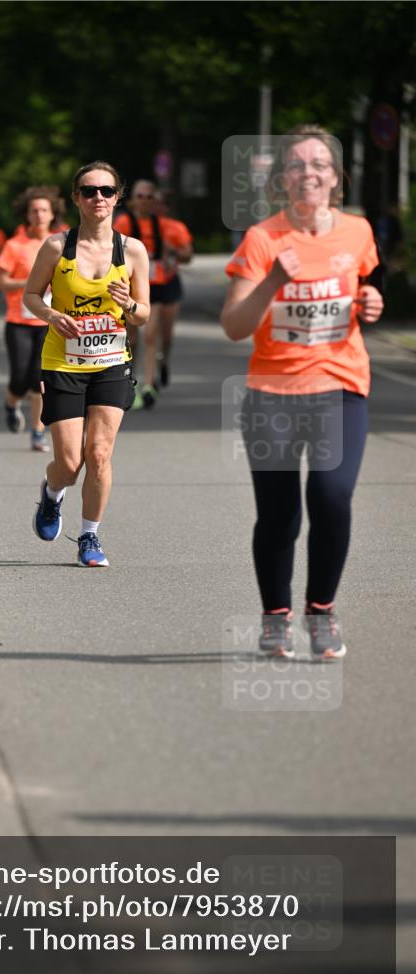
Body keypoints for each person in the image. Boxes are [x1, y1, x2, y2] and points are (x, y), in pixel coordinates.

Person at [220, 124, 384, 660]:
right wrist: (271, 282)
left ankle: (321, 611)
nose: (308, 173)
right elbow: (235, 326)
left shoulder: (357, 232)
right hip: (273, 392)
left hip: (340, 383)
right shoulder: (262, 239)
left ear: (335, 178)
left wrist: (370, 303)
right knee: (280, 513)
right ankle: (275, 617)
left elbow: (363, 288)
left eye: (320, 164)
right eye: (297, 165)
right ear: (281, 179)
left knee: (332, 497)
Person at [23, 161, 150, 566]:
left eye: (107, 191)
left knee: (98, 454)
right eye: (90, 191)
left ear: (118, 197)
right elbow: (30, 294)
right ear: (76, 197)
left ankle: (90, 537)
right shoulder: (57, 248)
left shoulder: (131, 250)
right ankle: (51, 494)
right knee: (70, 463)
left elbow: (144, 313)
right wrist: (50, 315)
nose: (99, 198)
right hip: (63, 363)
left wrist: (130, 304)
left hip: (112, 361)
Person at [114, 179, 193, 408]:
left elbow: (188, 254)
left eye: (149, 197)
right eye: (140, 196)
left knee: (157, 336)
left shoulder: (169, 226)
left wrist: (173, 253)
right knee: (133, 338)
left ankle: (151, 380)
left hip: (160, 284)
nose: (145, 201)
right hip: (131, 285)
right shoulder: (124, 223)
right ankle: (132, 381)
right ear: (132, 200)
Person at [0, 187, 59, 452]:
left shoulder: (60, 243)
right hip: (19, 321)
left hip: (49, 321)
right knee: (20, 379)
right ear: (27, 215)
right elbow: (1, 281)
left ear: (52, 214)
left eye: (44, 210)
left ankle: (37, 431)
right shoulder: (15, 245)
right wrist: (32, 283)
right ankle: (10, 404)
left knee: (39, 379)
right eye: (34, 210)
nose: (39, 214)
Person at [152, 189, 194, 388]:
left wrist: (172, 250)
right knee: (149, 333)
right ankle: (147, 373)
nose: (155, 207)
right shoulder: (139, 224)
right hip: (148, 283)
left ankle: (164, 359)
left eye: (159, 203)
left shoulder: (175, 227)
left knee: (166, 333)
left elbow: (188, 256)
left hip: (169, 281)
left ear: (166, 207)